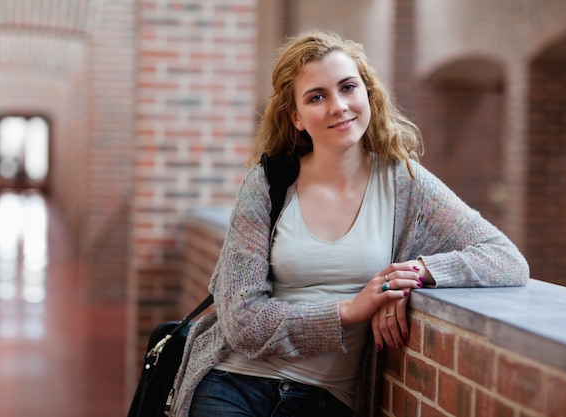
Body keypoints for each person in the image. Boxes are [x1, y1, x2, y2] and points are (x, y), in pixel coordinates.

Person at [170, 30, 529, 417]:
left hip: (325, 398)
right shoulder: (268, 184)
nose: (339, 106)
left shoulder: (404, 182)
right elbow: (242, 322)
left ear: (368, 94)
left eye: (348, 87)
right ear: (297, 118)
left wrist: (414, 272)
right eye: (317, 97)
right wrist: (351, 309)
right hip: (232, 384)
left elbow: (507, 260)